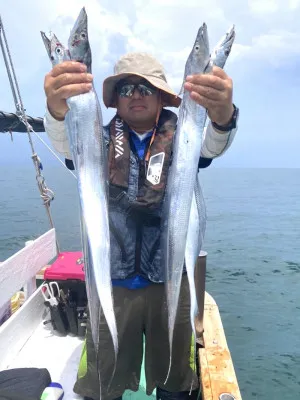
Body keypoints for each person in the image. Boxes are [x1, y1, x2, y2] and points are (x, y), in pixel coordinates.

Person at [43, 52, 239, 400]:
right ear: (115, 98)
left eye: (146, 88)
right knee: (104, 379)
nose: (136, 95)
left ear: (163, 96)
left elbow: (213, 143)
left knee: (174, 375)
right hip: (111, 281)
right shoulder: (95, 140)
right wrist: (58, 110)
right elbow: (64, 142)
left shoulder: (185, 137)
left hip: (168, 279)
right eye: (127, 88)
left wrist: (223, 116)